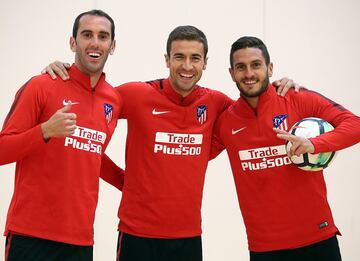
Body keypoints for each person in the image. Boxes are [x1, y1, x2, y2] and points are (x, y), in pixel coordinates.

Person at [43, 26, 298, 261]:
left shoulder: (218, 103)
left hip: (187, 238)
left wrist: (279, 88)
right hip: (137, 235)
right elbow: (89, 110)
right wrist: (68, 73)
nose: (187, 66)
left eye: (195, 58)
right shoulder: (136, 94)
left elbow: (253, 113)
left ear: (205, 63)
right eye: (179, 57)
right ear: (167, 60)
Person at [211, 36, 360, 261]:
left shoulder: (298, 99)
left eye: (256, 65)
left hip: (318, 239)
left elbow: (355, 125)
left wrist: (314, 144)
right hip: (265, 249)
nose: (249, 73)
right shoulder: (226, 122)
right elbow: (191, 153)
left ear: (270, 68)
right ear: (231, 73)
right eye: (241, 67)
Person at [0, 10, 121, 261]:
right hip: (30, 235)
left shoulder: (114, 99)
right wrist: (44, 131)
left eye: (103, 36)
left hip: (80, 239)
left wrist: (129, 184)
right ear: (73, 42)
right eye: (87, 35)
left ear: (112, 46)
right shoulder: (42, 85)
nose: (95, 43)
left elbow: (91, 153)